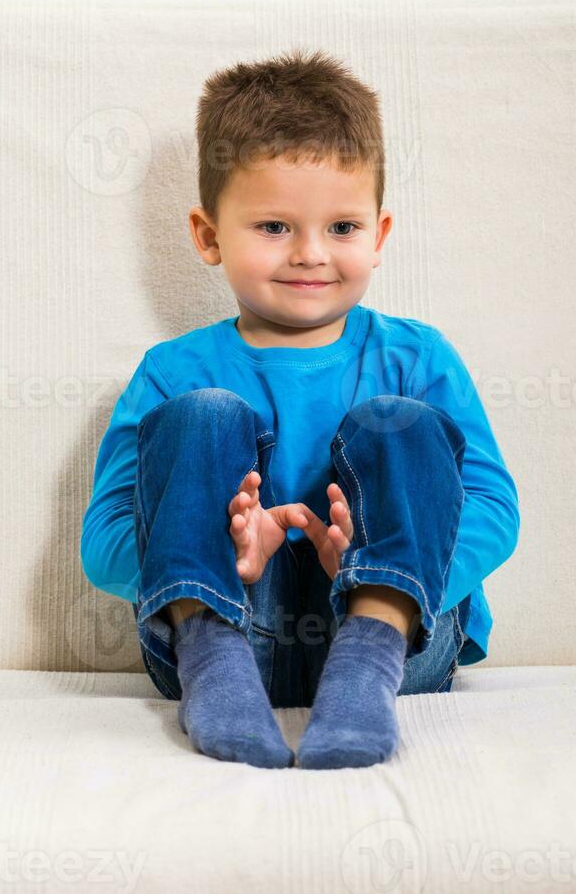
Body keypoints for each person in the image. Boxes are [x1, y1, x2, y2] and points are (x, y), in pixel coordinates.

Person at [81, 48, 520, 771]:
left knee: (399, 420)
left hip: (396, 639)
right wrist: (224, 554)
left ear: (378, 236)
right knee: (204, 415)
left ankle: (367, 656)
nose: (311, 254)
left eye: (342, 228)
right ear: (208, 236)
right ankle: (213, 657)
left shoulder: (418, 358)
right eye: (275, 227)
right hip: (225, 631)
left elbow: (493, 510)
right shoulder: (171, 373)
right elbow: (104, 543)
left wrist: (380, 563)